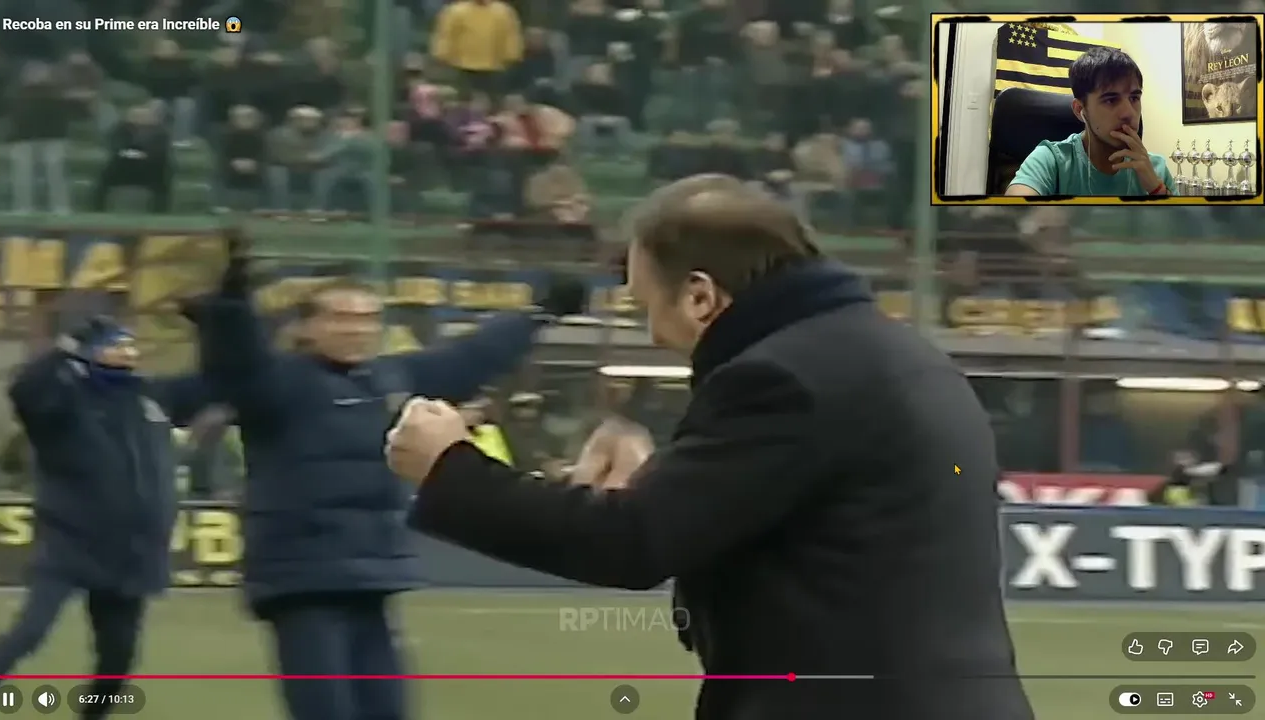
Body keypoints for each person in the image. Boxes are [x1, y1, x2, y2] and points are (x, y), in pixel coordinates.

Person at [385, 175, 1036, 720]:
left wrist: (449, 468)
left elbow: (631, 542)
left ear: (700, 296)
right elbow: (804, 507)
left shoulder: (781, 377)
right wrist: (666, 476)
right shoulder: (887, 353)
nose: (651, 332)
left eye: (647, 306)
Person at [196, 232, 586, 720]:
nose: (357, 329)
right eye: (341, 317)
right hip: (301, 582)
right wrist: (231, 306)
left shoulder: (389, 379)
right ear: (307, 327)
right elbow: (237, 364)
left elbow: (471, 357)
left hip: (370, 577)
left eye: (367, 318)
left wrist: (539, 315)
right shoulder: (279, 384)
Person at [0, 316, 211, 719]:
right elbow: (26, 390)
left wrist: (220, 325)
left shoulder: (151, 397)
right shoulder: (63, 400)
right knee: (29, 633)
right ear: (89, 351)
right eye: (115, 344)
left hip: (130, 553)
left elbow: (215, 382)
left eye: (130, 344)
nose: (128, 351)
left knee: (117, 661)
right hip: (70, 544)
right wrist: (62, 349)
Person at [1006, 46, 1175, 197]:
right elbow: (1013, 214)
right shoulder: (1051, 160)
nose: (1128, 113)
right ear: (1080, 110)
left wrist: (1156, 189)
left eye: (1134, 98)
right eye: (1111, 100)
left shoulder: (1156, 169)